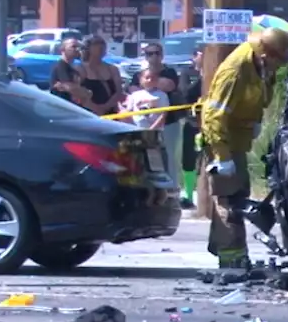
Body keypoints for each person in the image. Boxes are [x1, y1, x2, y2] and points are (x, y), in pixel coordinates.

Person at [200, 28, 288, 276]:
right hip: (221, 141)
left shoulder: (262, 68)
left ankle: (226, 251)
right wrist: (222, 157)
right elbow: (212, 116)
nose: (279, 66)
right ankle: (232, 262)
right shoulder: (235, 71)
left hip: (238, 140)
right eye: (278, 60)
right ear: (266, 55)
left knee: (237, 196)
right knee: (229, 201)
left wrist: (255, 121)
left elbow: (262, 96)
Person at [132, 42, 182, 186]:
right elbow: (132, 91)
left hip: (168, 122)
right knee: (147, 157)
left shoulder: (169, 72)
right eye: (149, 54)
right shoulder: (138, 74)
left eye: (157, 53)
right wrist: (151, 82)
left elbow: (170, 85)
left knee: (169, 156)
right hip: (144, 124)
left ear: (162, 55)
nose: (153, 57)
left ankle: (173, 188)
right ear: (145, 56)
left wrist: (148, 81)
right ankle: (152, 188)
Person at [180, 48, 204, 208]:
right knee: (188, 157)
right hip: (191, 121)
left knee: (205, 158)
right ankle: (188, 194)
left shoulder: (216, 71)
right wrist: (201, 78)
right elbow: (185, 93)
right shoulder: (187, 73)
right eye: (201, 54)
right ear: (194, 57)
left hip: (208, 121)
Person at [76, 35, 124, 116]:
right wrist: (95, 108)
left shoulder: (112, 69)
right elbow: (77, 92)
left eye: (103, 44)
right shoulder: (80, 69)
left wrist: (105, 107)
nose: (101, 47)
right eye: (96, 44)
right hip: (87, 113)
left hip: (110, 113)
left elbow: (119, 92)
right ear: (88, 48)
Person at [49, 38, 90, 106]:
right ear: (63, 49)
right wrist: (86, 92)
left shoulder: (73, 68)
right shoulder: (61, 66)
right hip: (63, 107)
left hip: (74, 107)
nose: (77, 49)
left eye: (78, 47)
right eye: (73, 46)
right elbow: (70, 87)